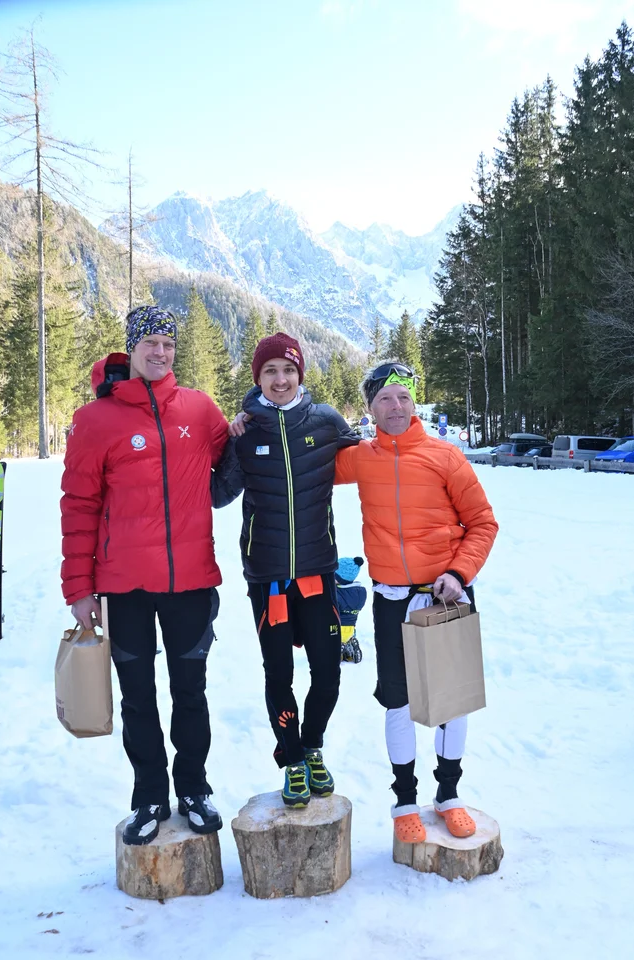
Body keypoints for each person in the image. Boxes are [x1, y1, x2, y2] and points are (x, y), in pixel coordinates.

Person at [60, 305, 228, 846]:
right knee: (137, 696)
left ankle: (194, 788)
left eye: (168, 344)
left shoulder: (201, 411)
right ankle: (151, 795)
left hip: (190, 582)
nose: (160, 352)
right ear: (131, 349)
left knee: (191, 692)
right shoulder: (95, 421)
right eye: (150, 343)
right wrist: (79, 588)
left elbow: (235, 455)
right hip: (124, 586)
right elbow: (78, 505)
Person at [334, 361, 498, 843]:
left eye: (403, 396)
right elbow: (306, 460)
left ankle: (448, 794)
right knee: (398, 700)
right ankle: (404, 799)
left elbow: (483, 523)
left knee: (451, 701)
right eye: (384, 398)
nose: (396, 406)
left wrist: (458, 572)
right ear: (369, 409)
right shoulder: (360, 458)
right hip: (390, 599)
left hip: (445, 596)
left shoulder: (445, 456)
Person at [212, 331, 360, 808]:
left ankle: (312, 745)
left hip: (317, 571)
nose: (280, 379)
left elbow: (371, 462)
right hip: (269, 577)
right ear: (258, 377)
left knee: (328, 672)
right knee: (278, 674)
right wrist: (223, 441)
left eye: (288, 370)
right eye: (270, 371)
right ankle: (292, 757)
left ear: (301, 374)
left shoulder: (327, 421)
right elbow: (218, 494)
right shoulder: (247, 429)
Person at [334, 556, 367, 663]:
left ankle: (337, 648)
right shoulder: (360, 592)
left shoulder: (337, 593)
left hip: (336, 629)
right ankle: (349, 642)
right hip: (351, 629)